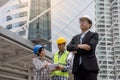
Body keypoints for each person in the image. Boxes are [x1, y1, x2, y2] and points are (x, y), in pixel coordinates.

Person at [67, 15, 99, 80]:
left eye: (84, 21)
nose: (82, 23)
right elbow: (68, 47)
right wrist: (79, 46)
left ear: (89, 24)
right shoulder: (75, 37)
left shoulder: (94, 35)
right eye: (81, 21)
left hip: (90, 68)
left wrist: (75, 50)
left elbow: (89, 47)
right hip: (77, 68)